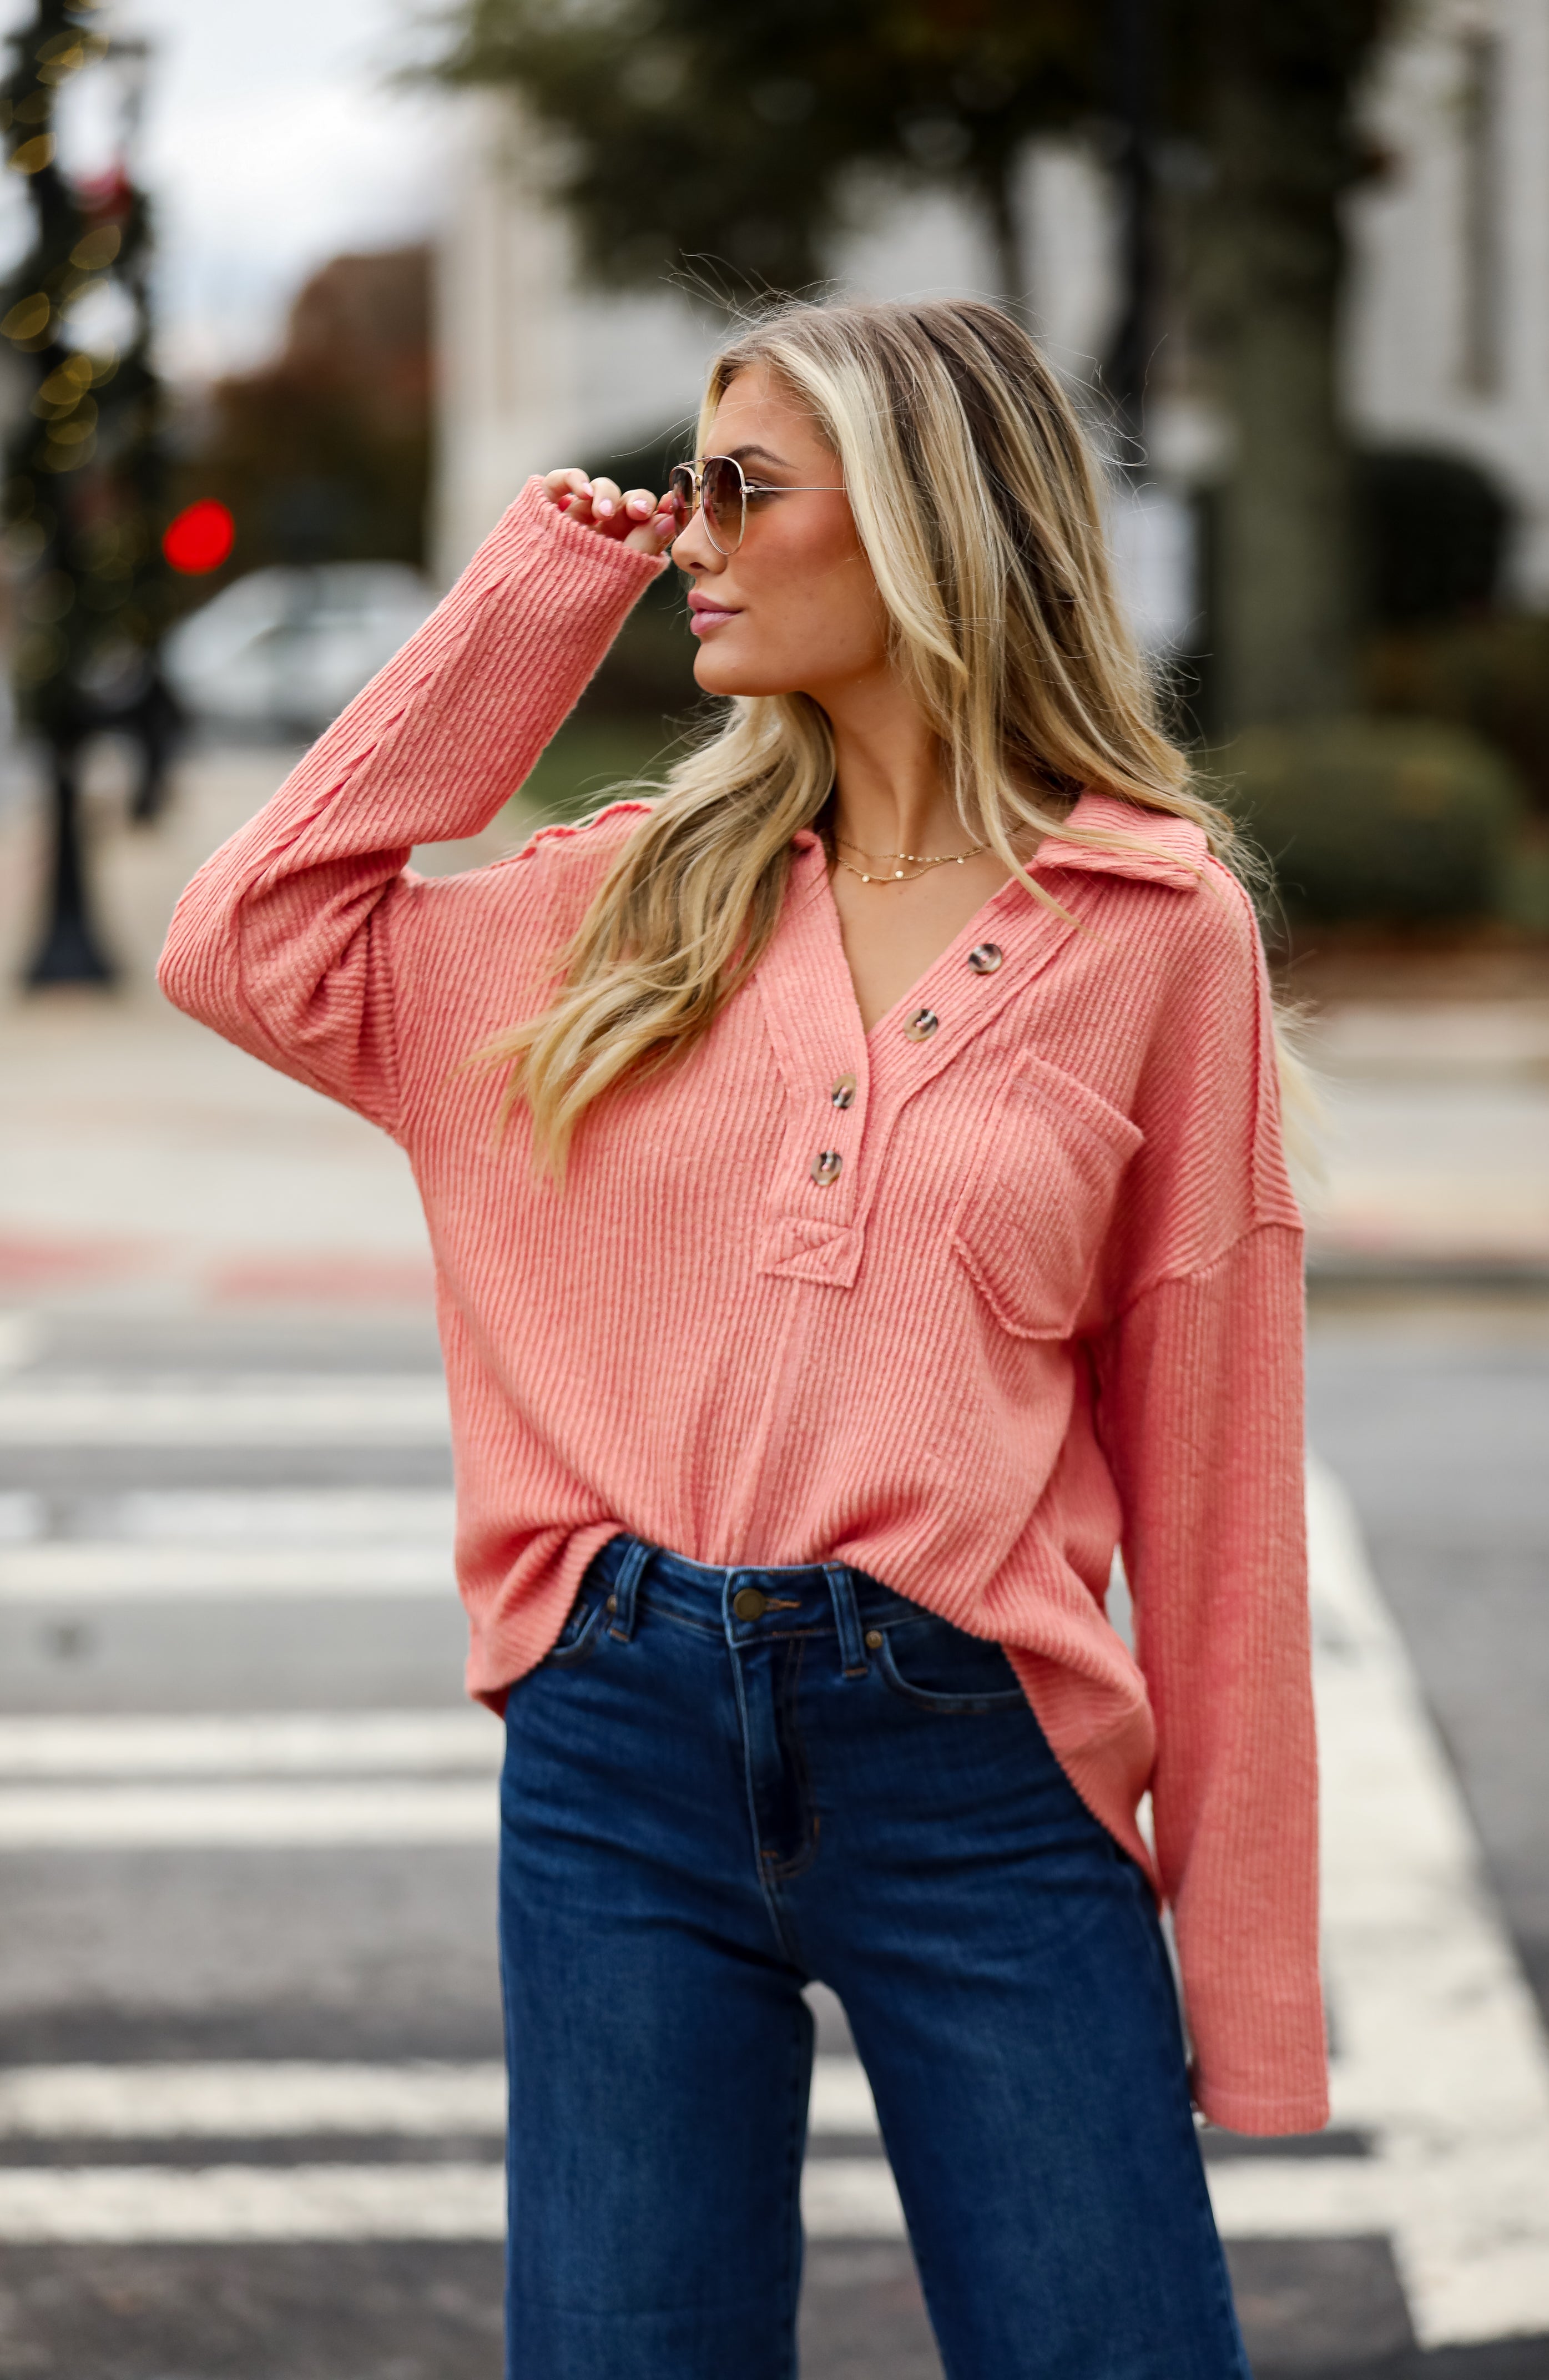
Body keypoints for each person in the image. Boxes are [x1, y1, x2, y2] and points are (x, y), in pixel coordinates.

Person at [160, 296, 1328, 2380]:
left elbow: (1216, 1481)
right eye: (684, 492)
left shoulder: (1157, 932)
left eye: (741, 491)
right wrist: (538, 597)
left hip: (980, 1760)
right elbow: (249, 942)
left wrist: (1243, 1992)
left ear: (917, 526)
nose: (689, 535)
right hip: (615, 1750)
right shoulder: (622, 898)